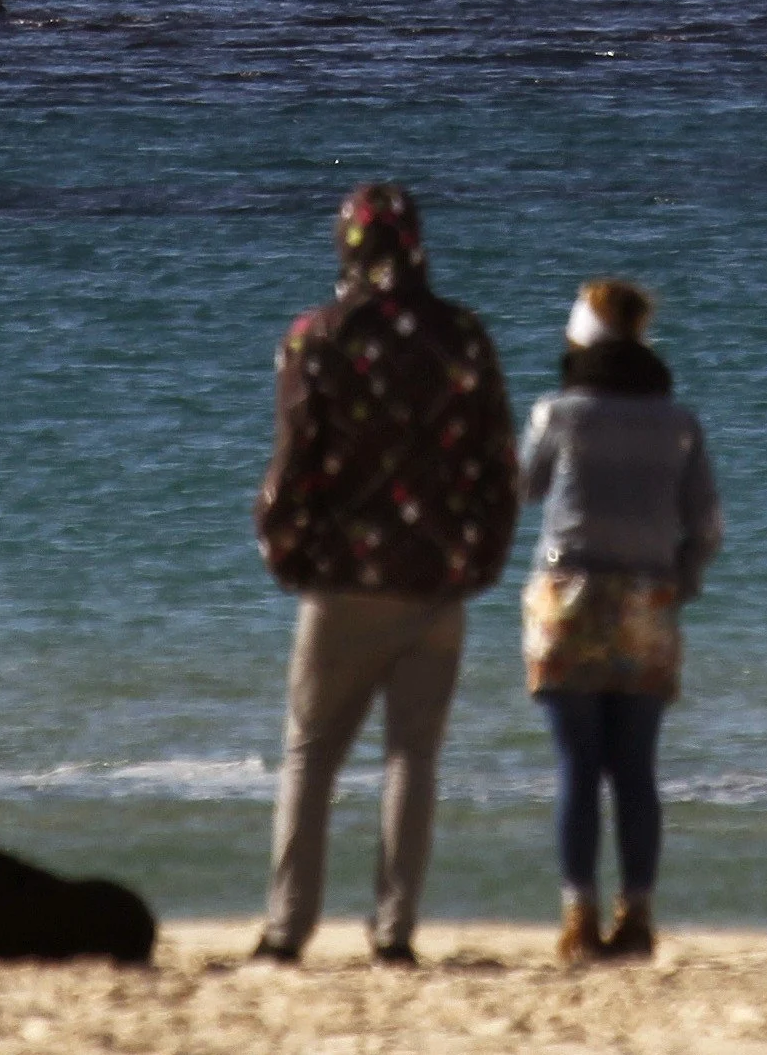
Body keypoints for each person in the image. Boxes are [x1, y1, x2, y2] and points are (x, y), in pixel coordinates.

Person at [251, 182, 518, 964]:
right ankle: (394, 931)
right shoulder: (464, 336)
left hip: (339, 582)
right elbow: (496, 465)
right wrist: (481, 558)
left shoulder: (317, 336)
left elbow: (294, 460)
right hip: (436, 580)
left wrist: (283, 547)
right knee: (412, 757)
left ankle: (286, 928)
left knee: (309, 755)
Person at [516, 277, 723, 965]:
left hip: (566, 598)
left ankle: (577, 915)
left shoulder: (556, 412)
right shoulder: (679, 422)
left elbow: (523, 487)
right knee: (635, 767)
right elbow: (706, 527)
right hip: (645, 599)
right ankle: (636, 915)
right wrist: (678, 584)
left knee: (576, 763)